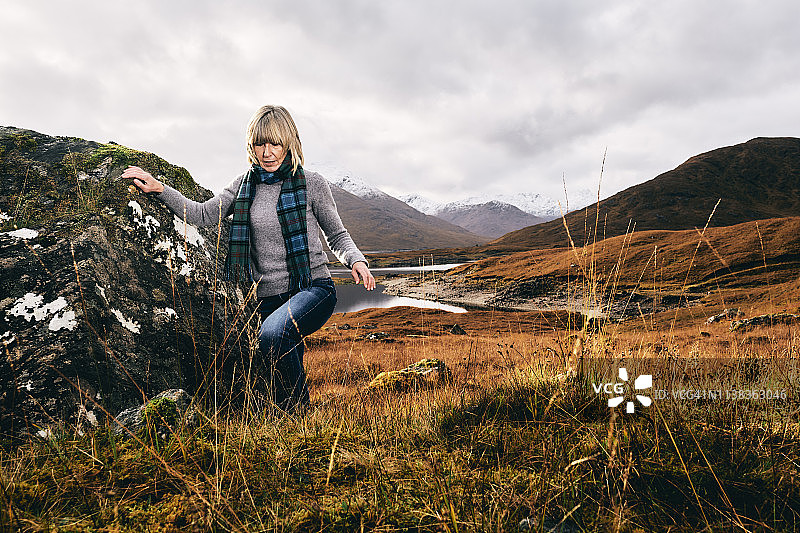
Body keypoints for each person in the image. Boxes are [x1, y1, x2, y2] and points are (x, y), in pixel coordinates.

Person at [123, 105, 375, 413]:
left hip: (313, 288)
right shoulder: (243, 186)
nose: (267, 152)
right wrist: (161, 188)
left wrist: (356, 261)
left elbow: (336, 235)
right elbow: (203, 214)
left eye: (275, 143)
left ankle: (293, 416)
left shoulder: (312, 183)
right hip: (268, 298)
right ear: (250, 144)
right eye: (260, 143)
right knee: (283, 349)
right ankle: (301, 422)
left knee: (272, 334)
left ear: (290, 143)